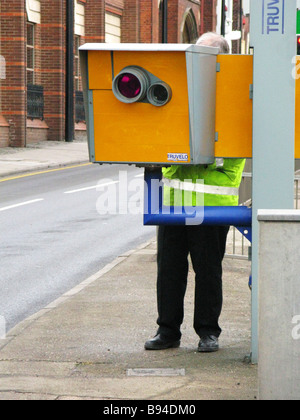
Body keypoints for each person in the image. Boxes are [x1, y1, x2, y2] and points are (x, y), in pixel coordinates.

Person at [145, 33, 246, 353]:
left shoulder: (230, 102)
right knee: (169, 271)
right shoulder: (185, 96)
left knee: (208, 272)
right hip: (174, 205)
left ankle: (208, 332)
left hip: (213, 207)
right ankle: (168, 331)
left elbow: (228, 156)